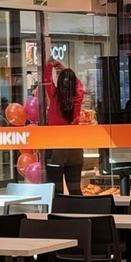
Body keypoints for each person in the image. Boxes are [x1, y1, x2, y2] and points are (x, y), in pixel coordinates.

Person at [43, 59, 85, 196]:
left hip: (56, 150)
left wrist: (50, 65)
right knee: (75, 190)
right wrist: (64, 68)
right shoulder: (77, 99)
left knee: (57, 192)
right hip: (75, 149)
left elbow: (46, 81)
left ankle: (59, 210)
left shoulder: (54, 96)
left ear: (59, 83)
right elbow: (79, 85)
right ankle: (80, 209)